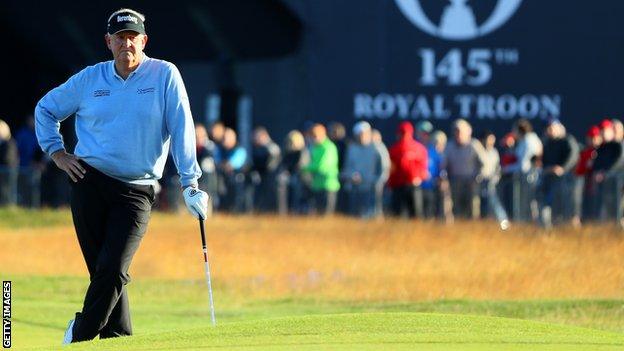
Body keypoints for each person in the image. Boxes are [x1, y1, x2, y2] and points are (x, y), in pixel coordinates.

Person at [34, 9, 209, 343]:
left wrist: (190, 182)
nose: (126, 43)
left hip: (137, 189)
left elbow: (181, 125)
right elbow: (46, 109)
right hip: (89, 181)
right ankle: (119, 339)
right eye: (120, 37)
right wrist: (57, 153)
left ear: (143, 41)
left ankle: (80, 336)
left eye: (133, 37)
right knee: (104, 272)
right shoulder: (90, 78)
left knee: (113, 269)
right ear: (108, 42)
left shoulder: (164, 75)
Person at [538, 119, 579, 228]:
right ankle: (548, 227)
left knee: (568, 208)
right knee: (548, 204)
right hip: (550, 179)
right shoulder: (547, 143)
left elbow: (573, 156)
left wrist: (562, 168)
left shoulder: (567, 140)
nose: (550, 130)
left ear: (559, 127)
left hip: (567, 180)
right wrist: (547, 169)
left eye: (552, 128)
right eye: (548, 128)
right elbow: (544, 161)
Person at [444, 119, 485, 219]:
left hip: (471, 182)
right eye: (456, 131)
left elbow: (483, 164)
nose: (458, 134)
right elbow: (444, 165)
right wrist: (444, 178)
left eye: (460, 131)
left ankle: (473, 230)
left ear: (468, 132)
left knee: (472, 208)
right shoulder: (449, 146)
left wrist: (479, 176)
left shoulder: (474, 145)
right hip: (455, 181)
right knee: (456, 208)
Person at [503, 119, 543, 221]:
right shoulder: (524, 141)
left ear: (520, 130)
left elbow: (524, 166)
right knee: (527, 204)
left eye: (514, 130)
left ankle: (536, 226)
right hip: (526, 178)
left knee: (532, 204)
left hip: (532, 178)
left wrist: (506, 169)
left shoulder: (529, 141)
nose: (513, 133)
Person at [341, 121, 383, 218]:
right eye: (359, 134)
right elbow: (347, 168)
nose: (361, 136)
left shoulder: (377, 148)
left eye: (363, 134)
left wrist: (376, 182)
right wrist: (352, 176)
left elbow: (383, 170)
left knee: (373, 218)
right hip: (355, 189)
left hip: (372, 190)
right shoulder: (351, 149)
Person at [388, 121, 428, 218]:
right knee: (400, 215)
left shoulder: (418, 148)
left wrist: (418, 177)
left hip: (412, 185)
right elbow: (391, 169)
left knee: (414, 215)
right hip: (400, 186)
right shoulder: (394, 149)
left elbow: (423, 167)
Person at [303, 124, 340, 215]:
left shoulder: (329, 147)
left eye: (315, 136)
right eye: (312, 136)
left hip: (328, 186)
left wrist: (304, 168)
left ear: (323, 134)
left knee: (326, 218)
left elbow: (321, 167)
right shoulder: (314, 147)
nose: (313, 139)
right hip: (316, 186)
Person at [592, 119, 624, 222]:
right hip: (606, 184)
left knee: (618, 207)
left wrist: (604, 172)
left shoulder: (619, 146)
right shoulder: (603, 147)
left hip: (619, 183)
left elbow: (619, 161)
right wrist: (597, 172)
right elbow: (597, 163)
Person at [479, 131, 510, 230]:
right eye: (489, 139)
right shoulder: (478, 151)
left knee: (494, 203)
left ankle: (504, 224)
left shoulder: (494, 152)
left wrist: (494, 179)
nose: (491, 142)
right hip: (478, 183)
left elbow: (497, 169)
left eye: (493, 140)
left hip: (491, 184)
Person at [572, 126, 601, 226]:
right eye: (590, 137)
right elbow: (579, 170)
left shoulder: (601, 151)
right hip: (584, 186)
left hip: (596, 187)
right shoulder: (584, 152)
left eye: (595, 137)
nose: (592, 140)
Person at [277, 130, 310, 214]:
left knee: (298, 198)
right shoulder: (287, 152)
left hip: (301, 179)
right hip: (290, 180)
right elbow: (284, 165)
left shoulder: (303, 152)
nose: (290, 143)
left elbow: (301, 166)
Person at [249, 126, 281, 212]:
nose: (254, 140)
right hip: (263, 179)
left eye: (256, 137)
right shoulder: (258, 149)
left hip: (271, 180)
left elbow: (271, 166)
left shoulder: (272, 148)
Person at [218, 127, 248, 212]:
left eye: (226, 138)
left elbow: (232, 164)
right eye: (223, 138)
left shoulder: (240, 150)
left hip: (237, 182)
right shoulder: (220, 150)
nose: (224, 140)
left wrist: (224, 165)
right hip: (224, 182)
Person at [371, 129, 390, 217]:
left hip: (379, 182)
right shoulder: (371, 148)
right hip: (373, 181)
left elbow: (385, 167)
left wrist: (381, 179)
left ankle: (378, 217)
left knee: (378, 203)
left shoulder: (380, 148)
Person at [0, 119, 18, 205]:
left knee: (5, 193)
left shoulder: (9, 144)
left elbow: (7, 160)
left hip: (6, 175)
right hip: (5, 174)